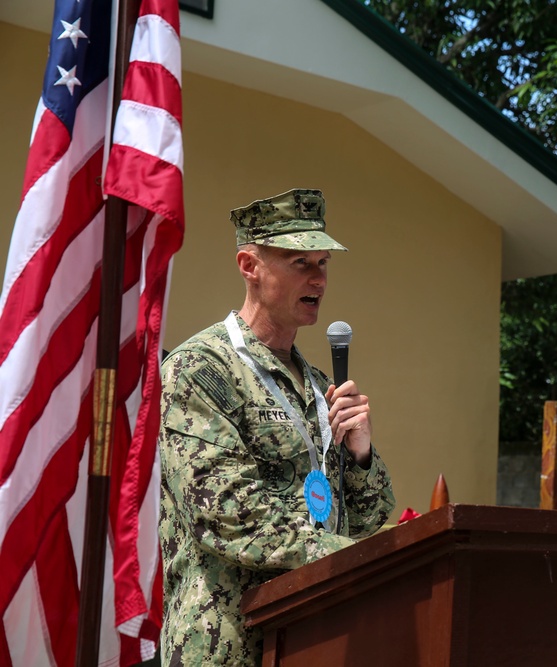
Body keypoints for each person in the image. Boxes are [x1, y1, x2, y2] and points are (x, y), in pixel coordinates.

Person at [158, 188, 395, 666]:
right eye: (299, 262)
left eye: (323, 263)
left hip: (317, 640)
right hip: (227, 646)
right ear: (250, 265)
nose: (318, 279)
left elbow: (368, 517)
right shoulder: (201, 370)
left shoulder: (318, 383)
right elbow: (226, 516)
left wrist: (360, 455)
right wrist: (352, 560)